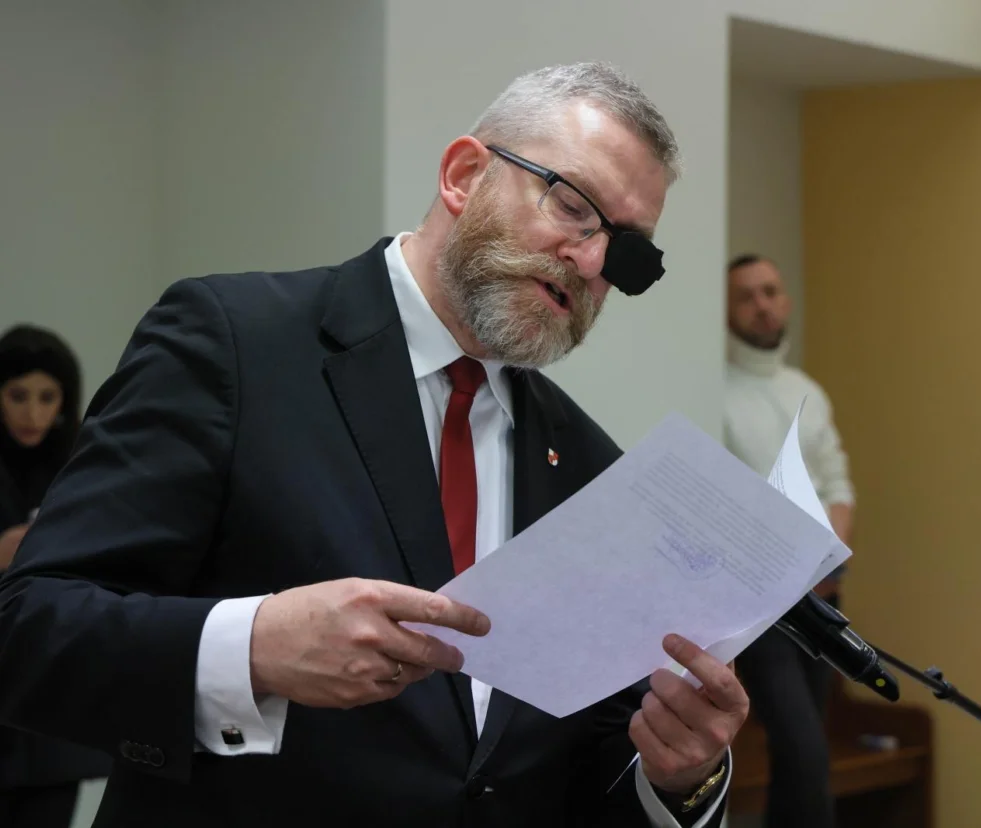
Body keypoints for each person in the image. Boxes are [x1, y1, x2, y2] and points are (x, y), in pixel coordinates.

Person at [0, 63, 750, 828]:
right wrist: (252, 647)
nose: (591, 262)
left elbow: (566, 764)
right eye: (572, 205)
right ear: (464, 175)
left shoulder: (591, 468)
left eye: (625, 254)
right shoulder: (234, 344)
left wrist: (681, 777)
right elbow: (29, 627)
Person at [723, 254, 857, 828]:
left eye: (770, 291)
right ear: (727, 311)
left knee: (800, 757)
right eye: (746, 296)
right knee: (805, 754)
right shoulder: (715, 390)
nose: (762, 305)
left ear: (786, 299)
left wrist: (830, 558)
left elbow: (837, 484)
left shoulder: (808, 391)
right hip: (761, 609)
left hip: (823, 597)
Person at [0, 324, 112, 827]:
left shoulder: (82, 467)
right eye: (18, 395)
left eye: (47, 397)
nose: (33, 414)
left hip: (47, 702)